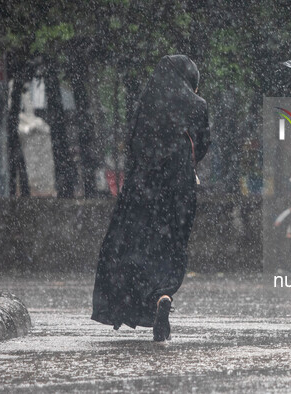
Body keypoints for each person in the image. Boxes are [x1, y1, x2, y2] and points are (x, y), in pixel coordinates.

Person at [91, 55, 211, 341]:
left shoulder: (146, 103)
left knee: (140, 244)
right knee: (172, 244)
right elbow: (203, 144)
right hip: (179, 188)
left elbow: (132, 142)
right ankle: (163, 294)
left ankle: (144, 299)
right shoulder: (198, 105)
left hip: (143, 188)